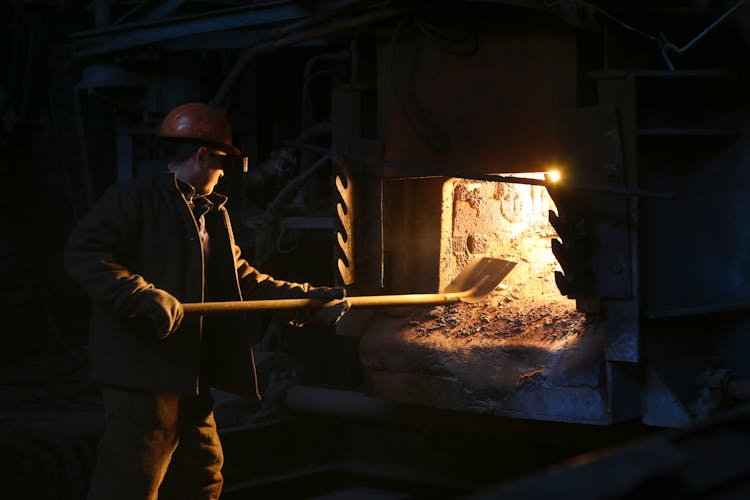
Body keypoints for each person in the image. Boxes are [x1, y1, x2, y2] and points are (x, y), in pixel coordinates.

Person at [64, 102, 349, 499]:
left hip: (191, 374)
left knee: (202, 478)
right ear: (202, 156)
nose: (223, 173)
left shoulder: (211, 213)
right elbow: (84, 255)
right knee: (131, 485)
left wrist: (304, 299)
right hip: (142, 375)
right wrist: (141, 296)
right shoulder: (134, 199)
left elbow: (241, 277)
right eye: (222, 163)